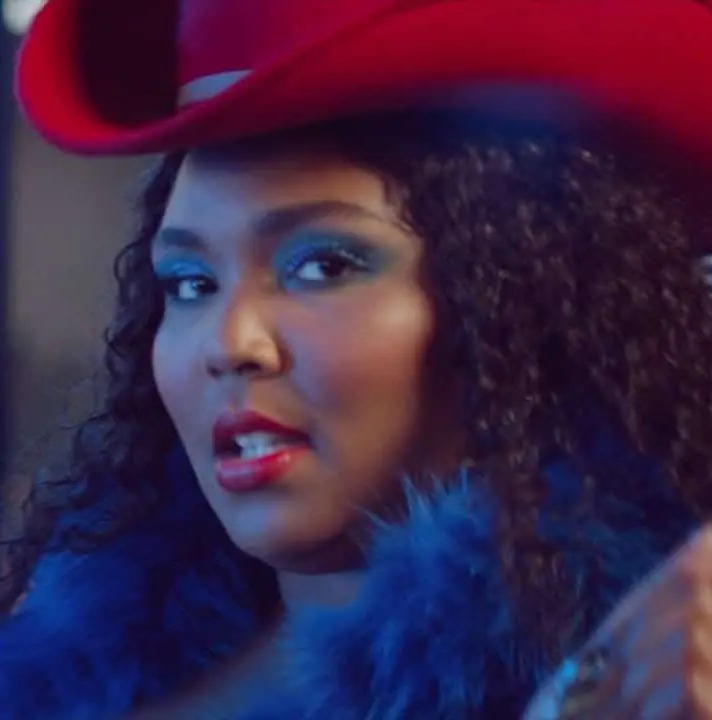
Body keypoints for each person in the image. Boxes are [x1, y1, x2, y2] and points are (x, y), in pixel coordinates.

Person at [2, 0, 712, 717]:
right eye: (190, 284)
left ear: (522, 301)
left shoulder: (669, 660)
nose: (231, 343)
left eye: (324, 266)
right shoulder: (63, 665)